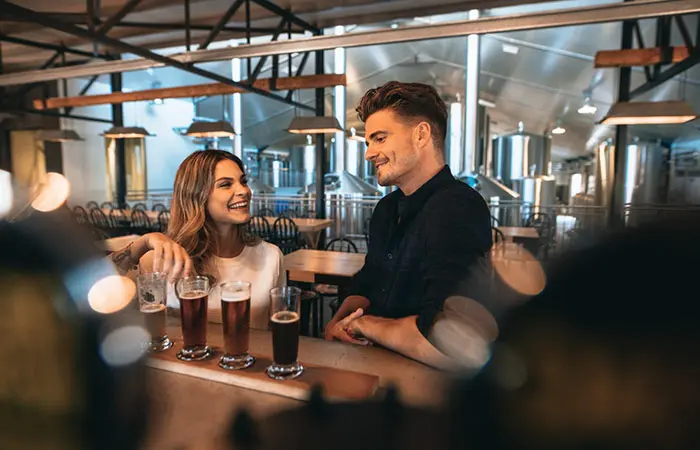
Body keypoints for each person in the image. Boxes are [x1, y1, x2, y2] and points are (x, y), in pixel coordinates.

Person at [325, 81, 493, 369]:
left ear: (421, 134)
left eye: (379, 139)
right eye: (368, 142)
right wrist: (337, 324)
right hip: (371, 367)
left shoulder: (458, 207)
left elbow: (449, 333)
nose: (368, 153)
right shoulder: (386, 208)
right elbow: (368, 280)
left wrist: (363, 325)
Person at [139, 150, 285, 329]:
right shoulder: (162, 261)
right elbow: (100, 292)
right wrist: (143, 243)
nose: (244, 191)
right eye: (225, 184)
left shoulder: (271, 256)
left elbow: (274, 331)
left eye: (243, 181)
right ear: (197, 196)